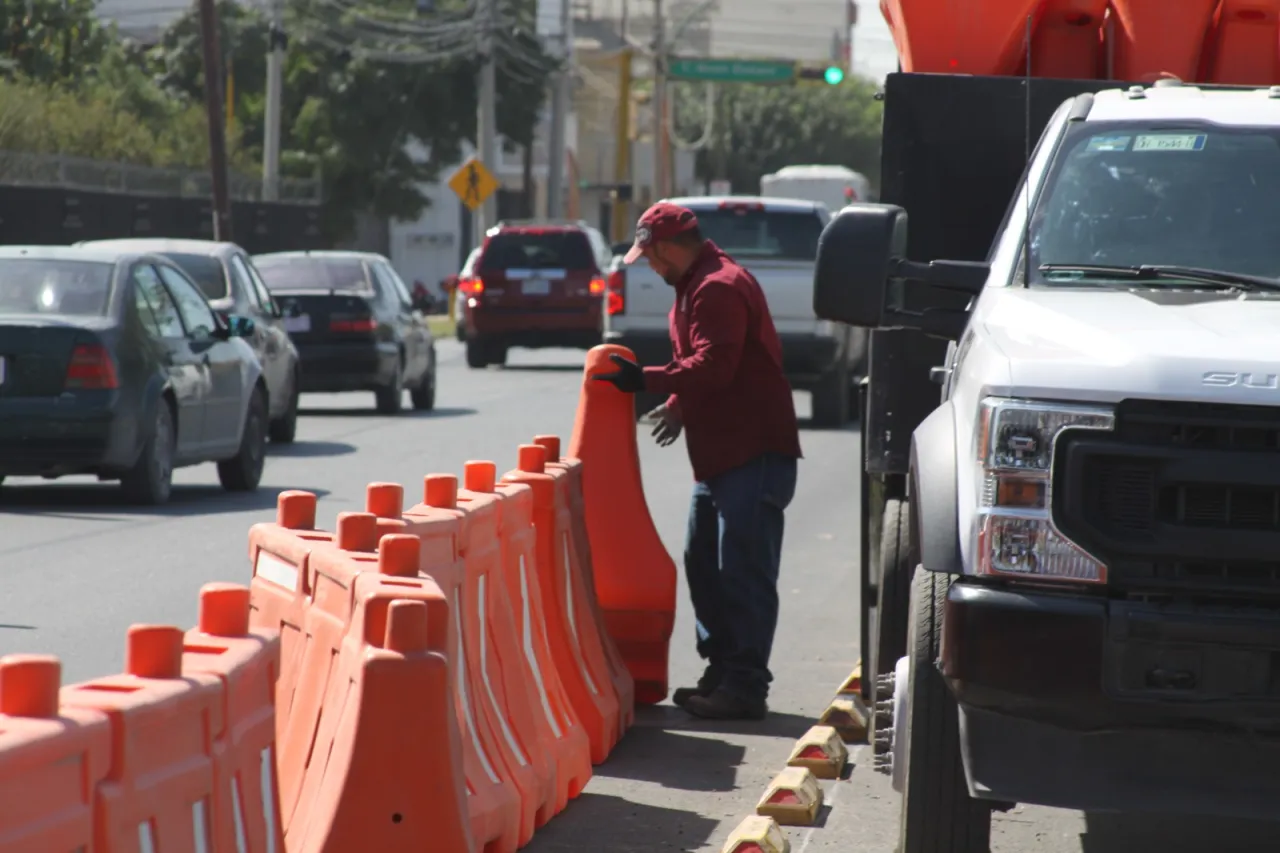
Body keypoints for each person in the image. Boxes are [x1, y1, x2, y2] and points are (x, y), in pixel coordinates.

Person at [593, 201, 803, 721]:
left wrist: (647, 379)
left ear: (667, 247)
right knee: (703, 563)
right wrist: (679, 404)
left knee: (744, 572)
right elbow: (711, 366)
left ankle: (746, 685)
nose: (651, 267)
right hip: (721, 457)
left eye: (652, 258)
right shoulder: (693, 286)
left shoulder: (718, 287)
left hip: (752, 454)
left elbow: (717, 365)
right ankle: (723, 672)